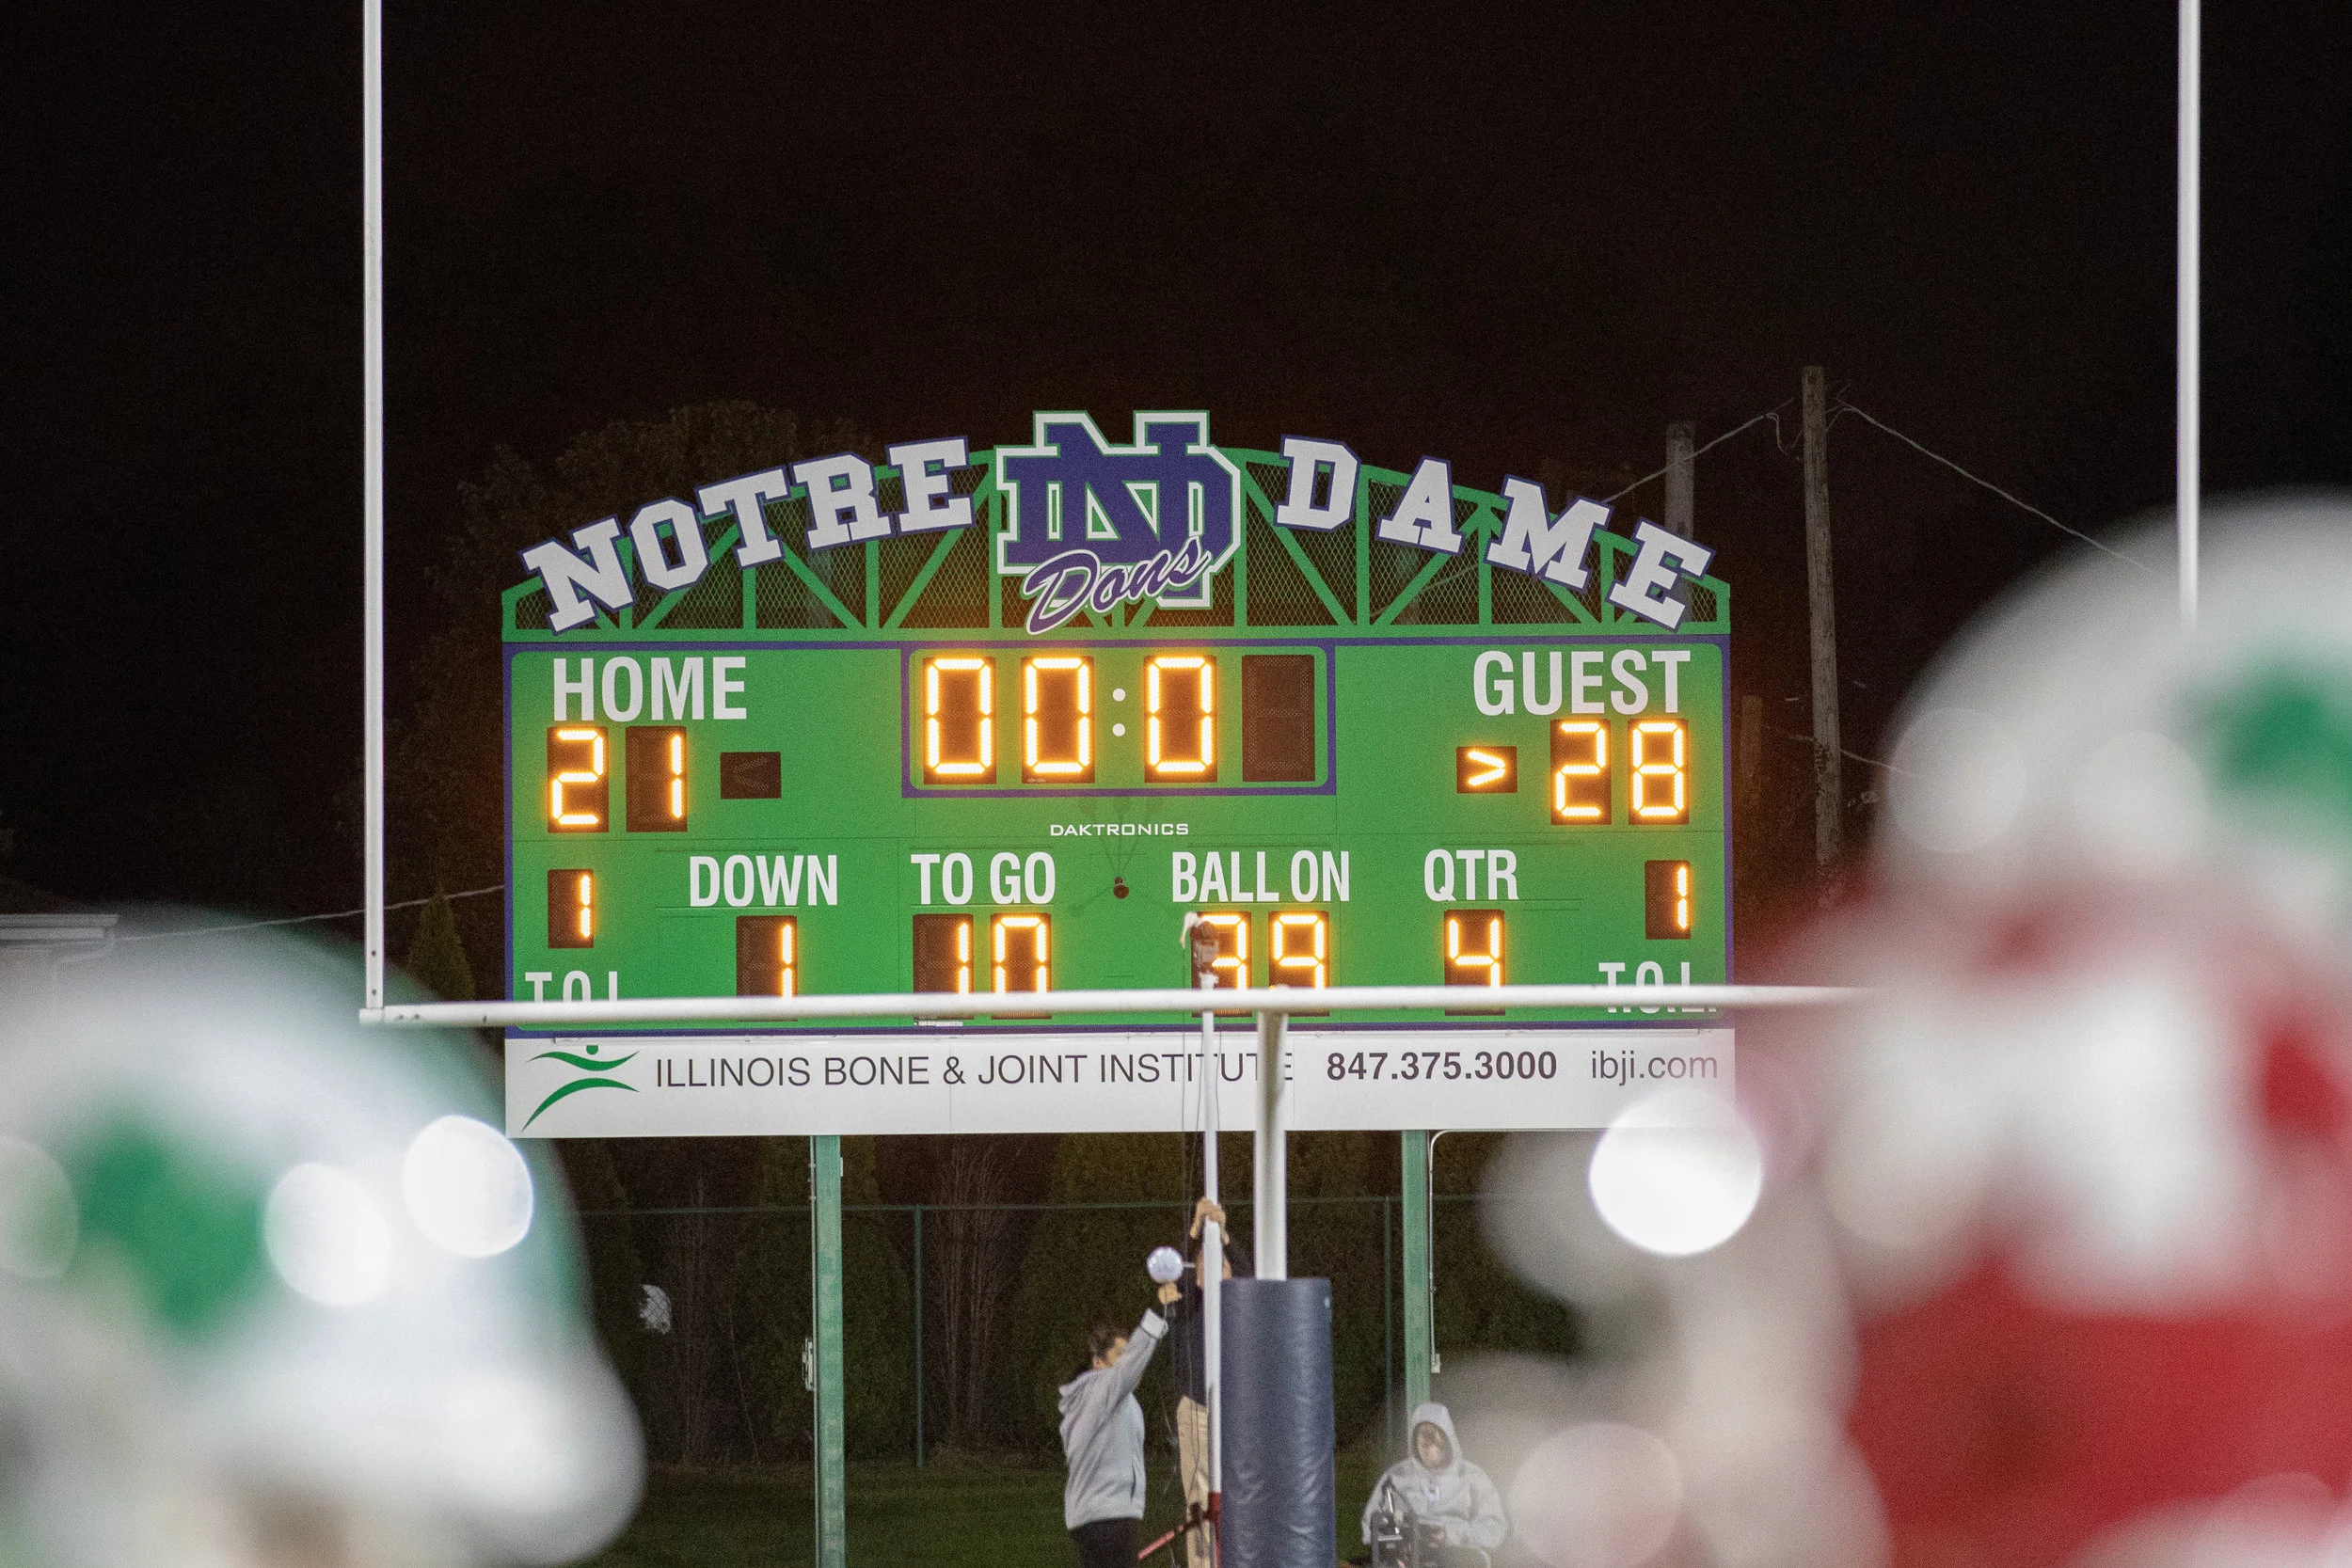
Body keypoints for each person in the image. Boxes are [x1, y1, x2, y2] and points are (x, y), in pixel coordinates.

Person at [1155, 1196, 1248, 1568]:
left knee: (1241, 1496)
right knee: (1199, 1502)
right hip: (1197, 1410)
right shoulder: (1188, 1304)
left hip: (1237, 1413)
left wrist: (1224, 1235)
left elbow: (1248, 1274)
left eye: (1221, 1263)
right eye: (1206, 1263)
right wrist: (1194, 1230)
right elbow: (1173, 1273)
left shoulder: (1241, 1307)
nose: (1215, 1268)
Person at [1059, 1280, 1169, 1568]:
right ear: (1098, 1362)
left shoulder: (1106, 1399)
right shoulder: (1099, 1389)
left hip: (1098, 1516)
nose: (1128, 1362)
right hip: (1108, 1516)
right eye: (1121, 1355)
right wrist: (1157, 1312)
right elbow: (1130, 1369)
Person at [1361, 1403, 1508, 1564]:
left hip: (1459, 1556)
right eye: (1425, 1445)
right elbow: (1371, 1526)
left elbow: (1494, 1529)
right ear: (1415, 1443)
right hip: (1408, 1557)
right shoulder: (1395, 1477)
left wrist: (1449, 1535)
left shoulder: (1473, 1477)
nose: (1432, 1452)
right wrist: (1397, 1546)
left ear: (1449, 1440)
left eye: (1438, 1445)